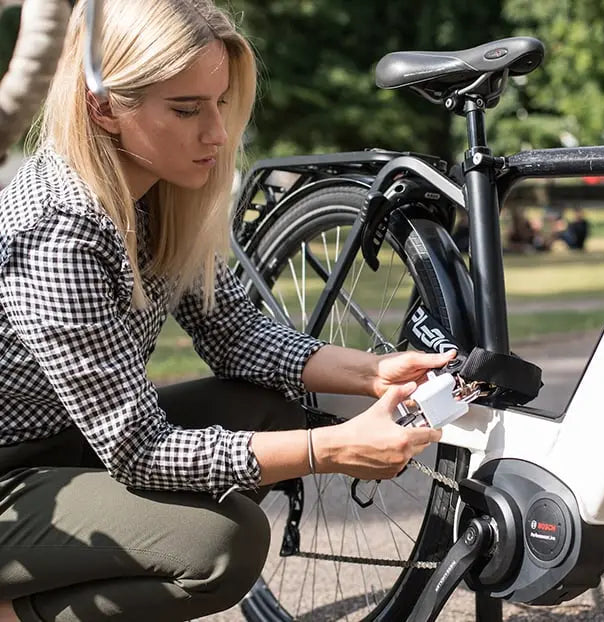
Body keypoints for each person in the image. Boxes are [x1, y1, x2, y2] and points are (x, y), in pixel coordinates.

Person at [0, 1, 453, 621]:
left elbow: (237, 336)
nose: (216, 132)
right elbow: (139, 450)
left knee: (269, 409)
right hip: (12, 487)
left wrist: (375, 371)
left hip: (66, 445)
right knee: (222, 545)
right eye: (186, 109)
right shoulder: (57, 232)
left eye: (219, 103)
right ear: (103, 107)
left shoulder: (157, 198)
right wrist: (329, 448)